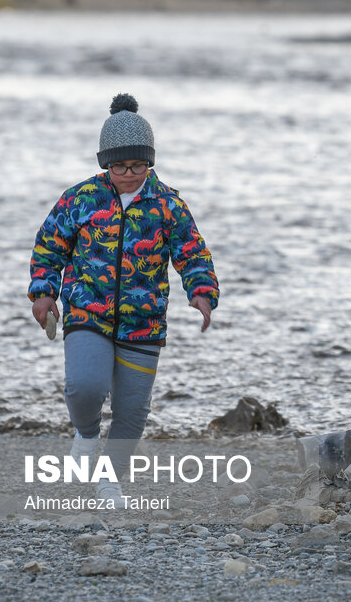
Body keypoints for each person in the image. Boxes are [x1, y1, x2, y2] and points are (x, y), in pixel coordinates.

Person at [28, 94, 219, 509]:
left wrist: (202, 293)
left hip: (143, 323)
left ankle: (109, 483)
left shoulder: (168, 205)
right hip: (86, 313)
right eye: (119, 166)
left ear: (149, 163)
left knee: (132, 413)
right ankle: (86, 433)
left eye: (138, 165)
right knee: (84, 387)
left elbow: (193, 253)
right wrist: (43, 292)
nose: (129, 174)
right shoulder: (79, 199)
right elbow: (49, 248)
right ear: (105, 164)